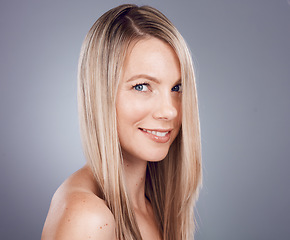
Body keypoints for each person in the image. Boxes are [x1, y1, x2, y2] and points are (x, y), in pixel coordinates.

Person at [42, 4, 202, 240]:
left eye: (176, 87)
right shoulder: (87, 218)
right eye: (142, 86)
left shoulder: (157, 206)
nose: (170, 111)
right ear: (101, 94)